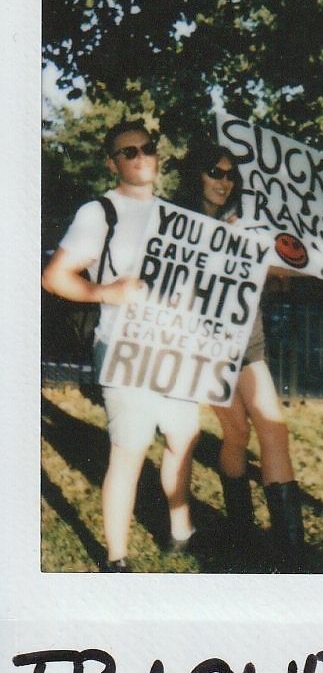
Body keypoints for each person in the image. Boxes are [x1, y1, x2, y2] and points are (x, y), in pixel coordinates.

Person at [42, 119, 200, 572]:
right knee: (129, 449)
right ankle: (117, 557)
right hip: (124, 348)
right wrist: (104, 292)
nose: (140, 157)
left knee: (182, 438)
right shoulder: (98, 213)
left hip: (176, 349)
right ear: (113, 163)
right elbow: (55, 277)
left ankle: (180, 528)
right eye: (128, 152)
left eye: (146, 148)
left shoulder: (174, 215)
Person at [177, 140, 305, 568]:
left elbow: (283, 267)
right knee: (236, 434)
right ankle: (241, 528)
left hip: (248, 339)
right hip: (207, 343)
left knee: (274, 430)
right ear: (196, 173)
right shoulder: (179, 222)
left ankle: (291, 550)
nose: (224, 181)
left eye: (230, 174)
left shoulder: (249, 219)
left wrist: (264, 251)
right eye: (215, 172)